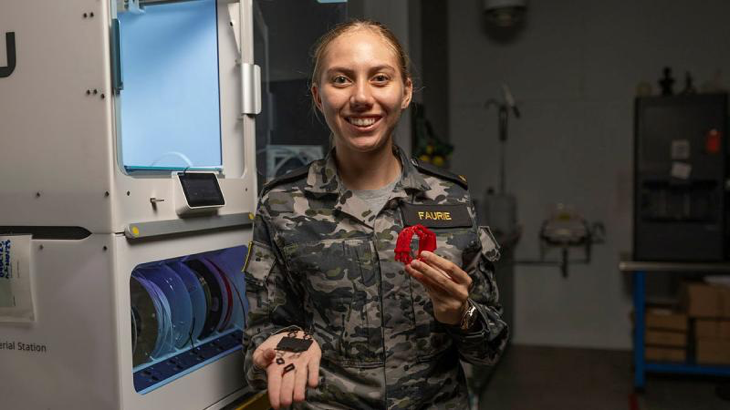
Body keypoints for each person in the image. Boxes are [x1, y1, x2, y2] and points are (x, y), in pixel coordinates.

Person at [242, 19, 508, 409]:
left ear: (406, 92)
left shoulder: (449, 199)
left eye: (380, 78)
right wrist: (280, 348)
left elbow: (490, 348)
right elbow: (261, 337)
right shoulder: (282, 206)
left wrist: (460, 313)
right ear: (318, 96)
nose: (362, 97)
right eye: (341, 80)